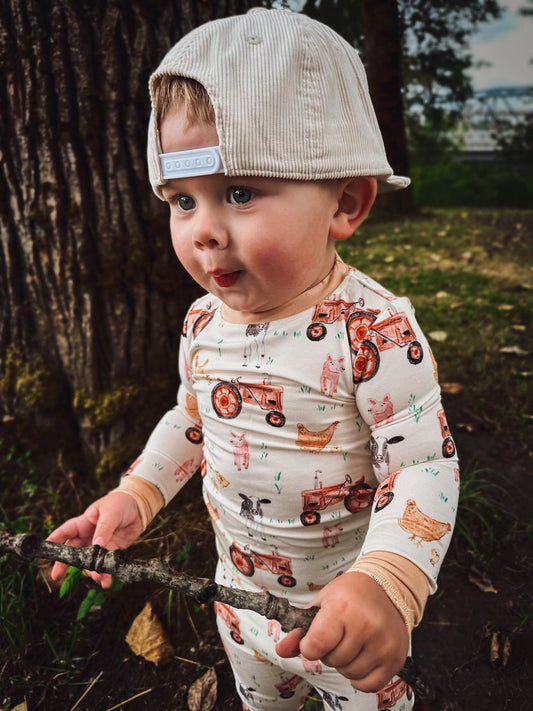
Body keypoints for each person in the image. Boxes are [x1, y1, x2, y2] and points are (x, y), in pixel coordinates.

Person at [48, 8, 459, 710]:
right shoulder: (204, 318)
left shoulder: (371, 329)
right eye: (182, 200)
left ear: (346, 202)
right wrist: (136, 495)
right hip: (238, 606)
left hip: (345, 620)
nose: (205, 229)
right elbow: (192, 416)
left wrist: (389, 581)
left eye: (239, 193)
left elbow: (422, 462)